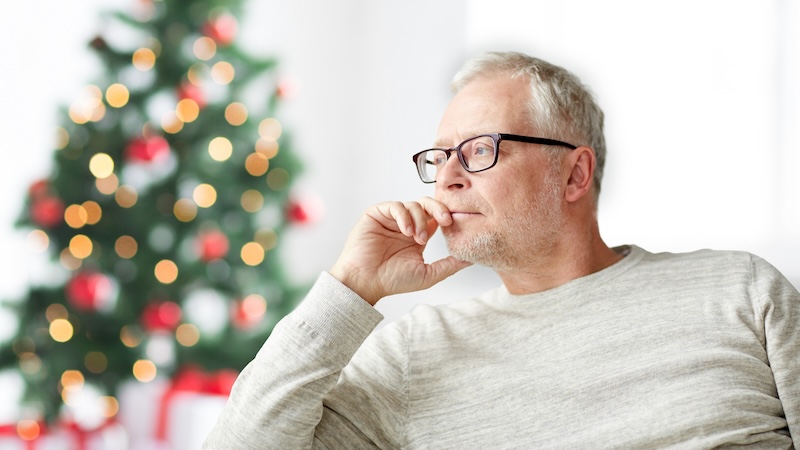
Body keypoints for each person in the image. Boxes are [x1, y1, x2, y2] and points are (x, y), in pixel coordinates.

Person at [204, 51, 799, 448]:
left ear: (573, 175)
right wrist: (349, 290)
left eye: (480, 150)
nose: (446, 179)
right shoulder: (414, 350)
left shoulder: (741, 290)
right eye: (439, 158)